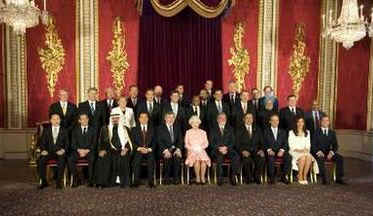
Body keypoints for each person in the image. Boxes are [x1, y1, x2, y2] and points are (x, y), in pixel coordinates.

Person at [95, 113, 133, 188]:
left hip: (122, 149)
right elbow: (100, 142)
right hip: (109, 150)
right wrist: (101, 150)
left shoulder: (125, 129)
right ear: (110, 119)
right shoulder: (105, 129)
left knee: (124, 158)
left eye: (117, 118)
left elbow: (130, 142)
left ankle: (124, 182)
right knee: (102, 158)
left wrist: (126, 149)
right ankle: (102, 183)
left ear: (120, 119)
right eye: (113, 119)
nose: (115, 120)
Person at [312, 116, 346, 185]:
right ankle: (324, 179)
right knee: (320, 159)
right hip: (318, 152)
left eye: (327, 121)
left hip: (328, 152)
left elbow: (335, 145)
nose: (325, 122)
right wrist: (318, 151)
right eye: (323, 121)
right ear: (320, 122)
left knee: (340, 158)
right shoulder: (316, 132)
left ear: (329, 122)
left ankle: (339, 178)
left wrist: (331, 152)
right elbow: (313, 145)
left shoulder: (332, 132)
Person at [38, 113, 68, 190]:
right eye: (54, 119)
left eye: (57, 119)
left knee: (62, 160)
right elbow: (42, 142)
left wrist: (63, 150)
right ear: (50, 120)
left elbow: (68, 143)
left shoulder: (64, 130)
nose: (56, 121)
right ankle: (44, 181)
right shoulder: (46, 130)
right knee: (40, 160)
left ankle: (59, 182)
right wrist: (43, 150)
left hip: (59, 152)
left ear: (60, 120)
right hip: (48, 152)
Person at [209, 112, 240, 186]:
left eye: (224, 118)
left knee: (236, 156)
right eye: (221, 118)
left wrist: (226, 148)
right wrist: (219, 148)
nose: (223, 119)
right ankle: (220, 177)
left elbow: (233, 141)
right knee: (219, 157)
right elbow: (211, 142)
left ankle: (232, 176)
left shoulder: (230, 128)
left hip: (228, 149)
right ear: (217, 120)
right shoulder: (213, 129)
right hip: (217, 150)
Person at [68, 113, 97, 187]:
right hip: (78, 151)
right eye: (82, 119)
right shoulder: (75, 130)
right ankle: (76, 178)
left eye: (86, 118)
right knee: (70, 159)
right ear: (79, 121)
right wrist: (79, 150)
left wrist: (87, 150)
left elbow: (94, 143)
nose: (84, 120)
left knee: (93, 158)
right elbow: (73, 144)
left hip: (89, 151)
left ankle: (91, 181)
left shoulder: (93, 130)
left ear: (88, 119)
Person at [235, 112, 265, 184]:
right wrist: (242, 151)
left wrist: (261, 150)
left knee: (261, 158)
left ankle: (256, 176)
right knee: (247, 160)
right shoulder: (239, 129)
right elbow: (236, 143)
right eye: (247, 118)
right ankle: (248, 177)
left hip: (256, 151)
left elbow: (262, 142)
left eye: (250, 118)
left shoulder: (257, 128)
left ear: (253, 119)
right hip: (244, 151)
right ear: (244, 119)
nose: (249, 119)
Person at [288, 116, 318, 185]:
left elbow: (308, 144)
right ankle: (300, 175)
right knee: (303, 157)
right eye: (298, 122)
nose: (300, 123)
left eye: (302, 122)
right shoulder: (291, 132)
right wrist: (299, 150)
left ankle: (305, 176)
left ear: (304, 123)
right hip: (294, 151)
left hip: (305, 151)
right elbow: (291, 145)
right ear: (296, 123)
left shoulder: (307, 132)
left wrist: (306, 149)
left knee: (309, 157)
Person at [263, 114, 291, 184]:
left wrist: (282, 150)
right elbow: (263, 142)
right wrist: (269, 150)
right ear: (270, 121)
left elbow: (286, 143)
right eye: (273, 120)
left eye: (277, 120)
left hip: (280, 151)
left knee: (288, 157)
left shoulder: (283, 131)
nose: (275, 122)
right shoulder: (265, 131)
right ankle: (271, 177)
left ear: (278, 121)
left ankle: (284, 176)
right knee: (271, 158)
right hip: (270, 151)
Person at [157, 112, 183, 185]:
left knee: (177, 157)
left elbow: (180, 140)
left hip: (175, 149)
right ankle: (166, 178)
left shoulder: (177, 127)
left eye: (172, 117)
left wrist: (178, 149)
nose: (171, 119)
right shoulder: (160, 128)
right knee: (167, 157)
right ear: (165, 118)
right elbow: (159, 141)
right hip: (164, 149)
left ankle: (176, 178)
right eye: (169, 117)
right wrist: (165, 150)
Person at [131, 112, 156, 188]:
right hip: (139, 150)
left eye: (145, 117)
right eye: (142, 117)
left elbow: (155, 142)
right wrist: (139, 148)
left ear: (148, 119)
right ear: (139, 119)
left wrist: (149, 149)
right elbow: (132, 142)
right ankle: (136, 181)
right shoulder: (134, 129)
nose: (144, 119)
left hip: (149, 150)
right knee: (136, 161)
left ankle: (151, 182)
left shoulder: (153, 129)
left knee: (151, 160)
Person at [184, 115, 211, 185]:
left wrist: (200, 148)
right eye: (193, 123)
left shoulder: (203, 132)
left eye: (197, 123)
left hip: (201, 150)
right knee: (197, 161)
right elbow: (186, 144)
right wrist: (193, 148)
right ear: (191, 124)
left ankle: (202, 178)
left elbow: (206, 143)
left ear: (199, 123)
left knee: (204, 161)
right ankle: (198, 178)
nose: (195, 124)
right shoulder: (188, 132)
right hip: (192, 151)